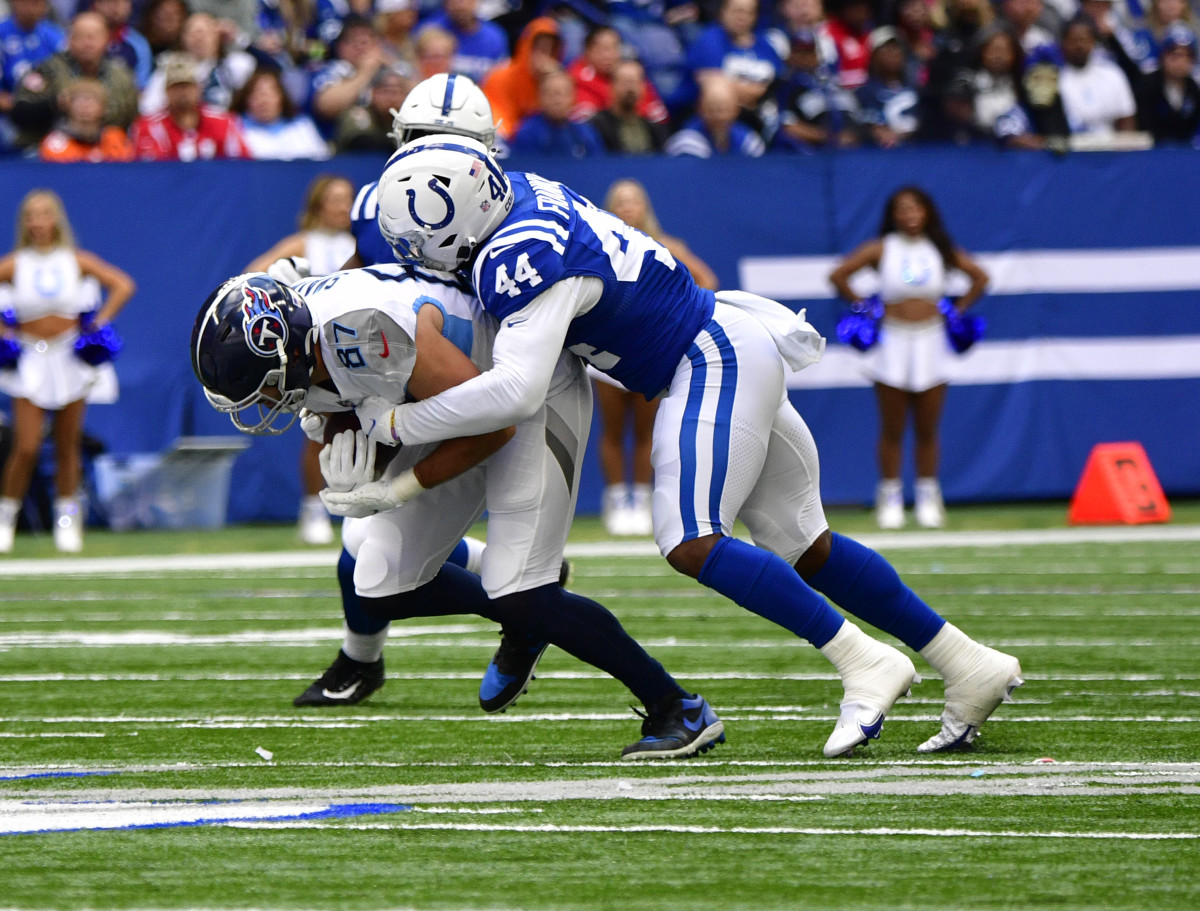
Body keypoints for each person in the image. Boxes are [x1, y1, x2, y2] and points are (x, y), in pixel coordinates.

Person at [372, 136, 1024, 756]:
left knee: (690, 537)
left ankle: (865, 658)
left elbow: (516, 391)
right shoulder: (522, 192)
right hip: (728, 338)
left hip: (707, 357)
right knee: (804, 543)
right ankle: (968, 662)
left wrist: (399, 424)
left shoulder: (515, 256)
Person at [192, 269, 725, 760]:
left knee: (523, 590)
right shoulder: (307, 337)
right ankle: (526, 622)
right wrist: (357, 460)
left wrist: (397, 487)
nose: (263, 402)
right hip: (443, 405)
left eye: (262, 386)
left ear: (286, 347)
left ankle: (676, 705)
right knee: (378, 580)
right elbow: (362, 406)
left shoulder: (367, 331)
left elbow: (491, 424)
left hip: (525, 393)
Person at [828, 186, 989, 531]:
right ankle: (890, 497)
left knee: (928, 427)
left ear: (927, 212)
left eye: (916, 208)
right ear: (893, 214)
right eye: (902, 209)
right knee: (892, 427)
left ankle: (929, 497)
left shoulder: (940, 249)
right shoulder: (881, 248)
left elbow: (981, 277)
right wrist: (865, 307)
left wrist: (957, 308)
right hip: (893, 341)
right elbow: (838, 275)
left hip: (932, 340)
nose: (910, 215)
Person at [0, 189, 134, 554]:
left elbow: (123, 284)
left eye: (45, 214)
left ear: (56, 218)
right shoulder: (15, 264)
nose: (38, 222)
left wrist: (98, 325)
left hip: (69, 357)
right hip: (29, 358)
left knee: (67, 446)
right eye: (31, 215)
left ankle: (66, 521)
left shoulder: (76, 259)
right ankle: (4, 520)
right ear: (24, 223)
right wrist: (4, 332)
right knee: (26, 446)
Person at [598, 178, 718, 536]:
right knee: (614, 430)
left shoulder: (667, 246)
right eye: (620, 201)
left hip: (651, 349)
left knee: (648, 430)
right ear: (610, 208)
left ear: (645, 207)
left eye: (634, 201)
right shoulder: (598, 245)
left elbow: (707, 280)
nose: (627, 208)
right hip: (606, 348)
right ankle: (618, 502)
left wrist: (674, 317)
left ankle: (644, 500)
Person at [247, 175, 357, 546]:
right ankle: (313, 509)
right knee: (320, 429)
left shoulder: (361, 243)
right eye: (335, 199)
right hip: (316, 346)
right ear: (318, 204)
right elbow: (252, 277)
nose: (343, 206)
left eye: (348, 199)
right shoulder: (302, 243)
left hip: (359, 343)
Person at [10, 11, 138, 150]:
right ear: (69, 39)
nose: (87, 43)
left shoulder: (121, 75)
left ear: (107, 39)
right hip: (46, 152)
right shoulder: (47, 70)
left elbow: (130, 118)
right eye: (81, 37)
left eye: (93, 37)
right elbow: (19, 113)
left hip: (106, 152)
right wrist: (54, 104)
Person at [130, 52, 252, 160]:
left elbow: (242, 167)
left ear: (198, 89)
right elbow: (150, 173)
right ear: (167, 91)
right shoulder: (149, 126)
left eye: (187, 85)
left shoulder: (223, 123)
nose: (182, 92)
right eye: (176, 87)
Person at [481, 16, 563, 142]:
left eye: (550, 50)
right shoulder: (500, 77)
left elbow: (564, 121)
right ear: (526, 47)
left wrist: (552, 80)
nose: (544, 57)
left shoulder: (558, 79)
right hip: (509, 145)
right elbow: (499, 123)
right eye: (539, 49)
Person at [232, 66, 331, 160]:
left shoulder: (302, 126)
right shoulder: (234, 128)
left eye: (269, 94)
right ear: (246, 100)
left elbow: (322, 160)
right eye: (256, 95)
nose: (263, 101)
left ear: (281, 98)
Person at [510, 69, 606, 157]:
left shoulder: (586, 133)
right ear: (540, 98)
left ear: (574, 98)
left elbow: (597, 166)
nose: (558, 100)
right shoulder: (527, 133)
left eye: (564, 94)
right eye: (551, 94)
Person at [665, 73, 767, 156]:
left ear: (736, 110)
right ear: (700, 108)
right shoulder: (687, 143)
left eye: (724, 109)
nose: (719, 116)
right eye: (712, 110)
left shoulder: (748, 139)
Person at [39, 77, 136, 162]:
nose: (85, 105)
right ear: (68, 105)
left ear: (104, 108)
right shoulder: (55, 144)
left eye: (92, 99)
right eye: (78, 99)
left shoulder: (116, 138)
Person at [587, 58, 672, 155]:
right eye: (625, 82)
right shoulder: (597, 126)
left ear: (644, 88)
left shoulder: (654, 128)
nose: (630, 89)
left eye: (635, 82)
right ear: (611, 86)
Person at [1136, 23, 1200, 143]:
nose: (1180, 62)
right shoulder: (1147, 85)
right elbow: (1142, 127)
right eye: (1174, 55)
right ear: (1163, 56)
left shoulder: (1193, 89)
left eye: (1186, 56)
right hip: (1151, 153)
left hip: (1184, 153)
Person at [333, 63, 414, 154]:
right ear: (373, 93)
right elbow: (362, 142)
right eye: (387, 91)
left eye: (397, 92)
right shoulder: (358, 113)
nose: (392, 98)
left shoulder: (408, 119)